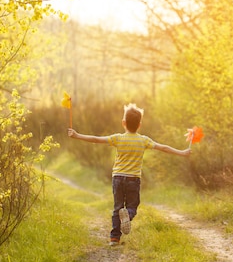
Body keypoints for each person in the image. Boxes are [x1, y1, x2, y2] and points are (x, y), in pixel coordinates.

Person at [67, 103, 191, 246]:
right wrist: (182, 153)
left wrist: (77, 135)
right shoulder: (143, 140)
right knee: (132, 205)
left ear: (123, 123)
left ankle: (114, 238)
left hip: (118, 178)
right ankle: (129, 215)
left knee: (117, 207)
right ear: (140, 125)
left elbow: (96, 139)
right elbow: (163, 147)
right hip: (133, 179)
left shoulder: (118, 138)